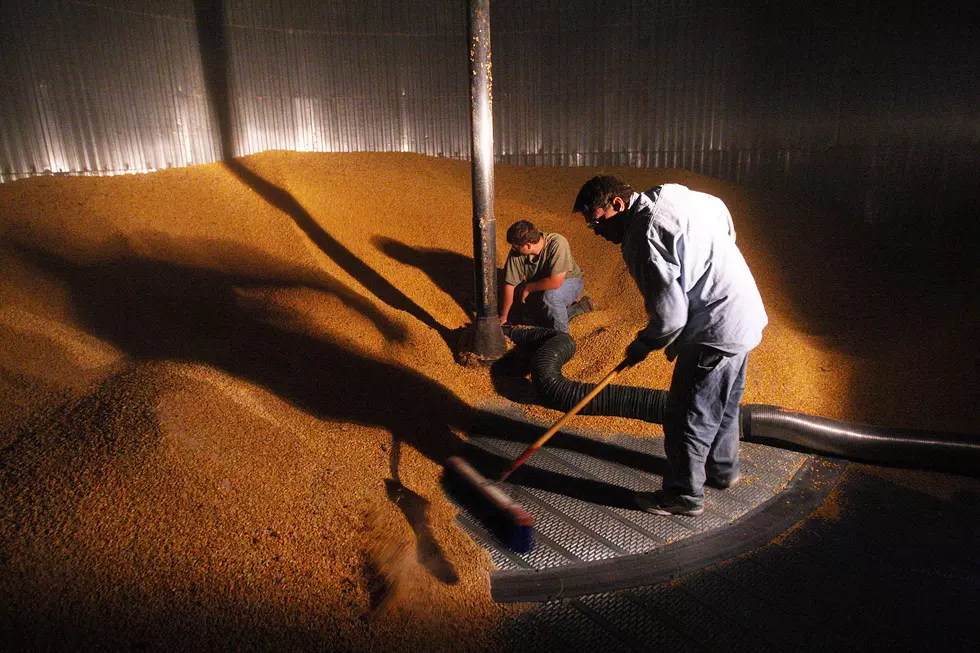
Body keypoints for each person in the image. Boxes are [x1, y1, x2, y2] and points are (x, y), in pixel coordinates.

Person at [573, 176, 768, 516]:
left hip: (713, 329)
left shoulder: (642, 236)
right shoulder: (672, 194)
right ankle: (722, 471)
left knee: (687, 417)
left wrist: (644, 344)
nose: (597, 232)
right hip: (743, 312)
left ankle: (683, 495)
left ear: (617, 205)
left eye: (597, 222)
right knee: (723, 406)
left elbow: (671, 316)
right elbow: (721, 213)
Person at [499, 220, 592, 333]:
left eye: (516, 246)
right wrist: (503, 317)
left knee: (551, 297)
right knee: (530, 312)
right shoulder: (517, 253)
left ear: (528, 245)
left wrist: (529, 288)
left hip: (570, 281)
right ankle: (580, 308)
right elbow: (510, 285)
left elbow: (556, 282)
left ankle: (561, 338)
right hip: (540, 285)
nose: (513, 249)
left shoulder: (557, 243)